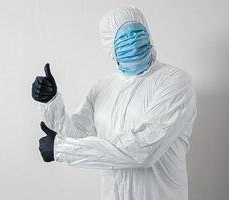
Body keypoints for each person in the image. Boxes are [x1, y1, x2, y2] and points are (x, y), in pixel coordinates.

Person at [31, 6, 197, 200]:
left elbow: (144, 149)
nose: (133, 44)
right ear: (110, 47)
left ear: (149, 34)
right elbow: (77, 136)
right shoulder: (103, 87)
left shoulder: (175, 81)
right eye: (123, 39)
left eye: (137, 33)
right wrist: (50, 102)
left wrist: (61, 149)